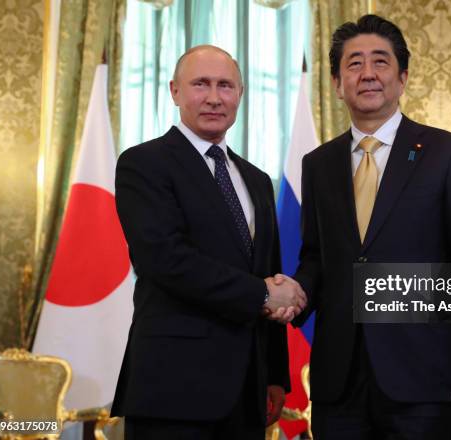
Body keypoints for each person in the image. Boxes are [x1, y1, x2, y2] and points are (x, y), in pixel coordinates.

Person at [288, 15, 451, 439]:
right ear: (336, 82)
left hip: (423, 375)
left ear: (402, 78)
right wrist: (294, 295)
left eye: (380, 62)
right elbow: (316, 254)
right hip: (338, 378)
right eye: (354, 63)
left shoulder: (447, 153)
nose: (367, 74)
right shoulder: (318, 164)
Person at [110, 45, 306, 440]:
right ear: (175, 91)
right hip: (173, 388)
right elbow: (164, 259)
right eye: (201, 84)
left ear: (240, 94)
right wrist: (262, 294)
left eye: (226, 86)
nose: (215, 97)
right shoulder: (144, 164)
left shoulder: (256, 179)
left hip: (247, 392)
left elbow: (268, 272)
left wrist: (274, 374)